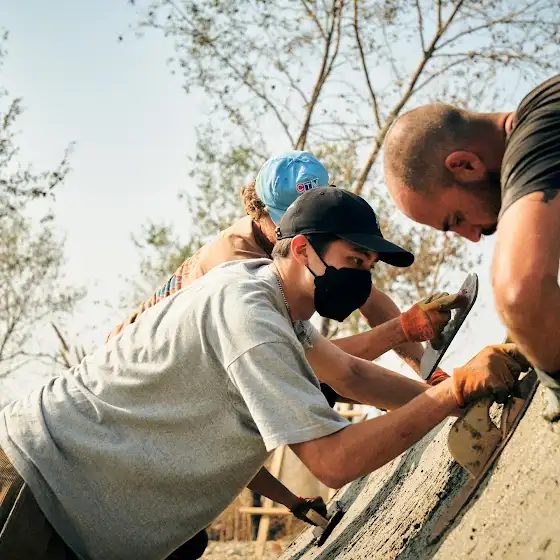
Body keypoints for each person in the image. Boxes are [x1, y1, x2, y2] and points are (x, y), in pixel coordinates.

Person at [0, 187, 528, 560]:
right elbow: (333, 461)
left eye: (369, 267)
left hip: (74, 501)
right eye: (354, 260)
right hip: (39, 484)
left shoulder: (267, 293)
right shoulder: (250, 315)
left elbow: (351, 375)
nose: (362, 279)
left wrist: (455, 391)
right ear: (301, 249)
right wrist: (453, 394)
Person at [108, 151, 458, 556]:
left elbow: (362, 317)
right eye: (287, 219)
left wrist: (428, 372)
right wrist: (427, 378)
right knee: (176, 536)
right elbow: (317, 370)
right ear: (262, 213)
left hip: (186, 399)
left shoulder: (288, 267)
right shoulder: (240, 275)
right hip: (134, 403)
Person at [383, 74, 560, 421]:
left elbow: (520, 295)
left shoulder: (536, 140)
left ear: (465, 166)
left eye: (457, 219)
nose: (473, 236)